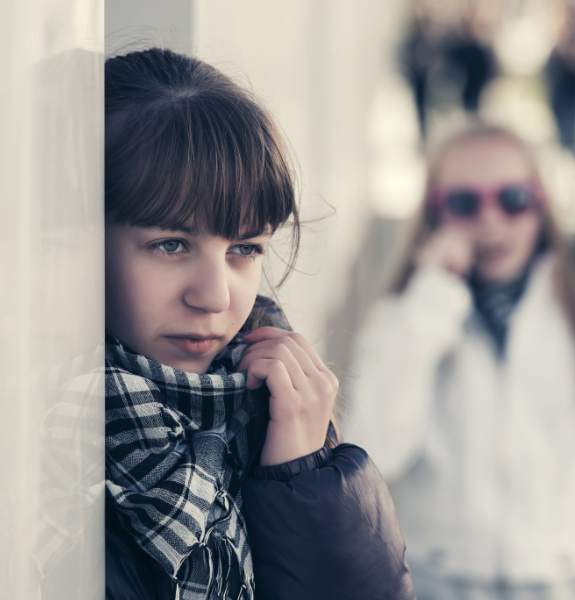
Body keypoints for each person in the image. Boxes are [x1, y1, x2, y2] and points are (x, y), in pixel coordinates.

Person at [103, 48, 416, 600]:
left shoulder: (264, 404)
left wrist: (301, 475)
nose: (216, 296)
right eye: (171, 244)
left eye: (245, 248)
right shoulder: (53, 438)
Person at [347, 124, 575, 600]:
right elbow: (373, 452)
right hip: (433, 586)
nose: (491, 221)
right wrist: (433, 296)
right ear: (435, 211)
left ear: (541, 204)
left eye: (513, 198)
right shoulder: (405, 318)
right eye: (464, 203)